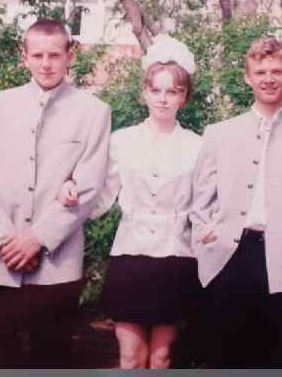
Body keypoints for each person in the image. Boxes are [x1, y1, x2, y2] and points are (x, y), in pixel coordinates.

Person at [0, 18, 111, 369]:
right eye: (38, 55)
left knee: (51, 357)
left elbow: (88, 186)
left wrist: (38, 239)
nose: (46, 64)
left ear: (70, 56)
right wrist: (4, 240)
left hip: (57, 263)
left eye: (55, 55)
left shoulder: (93, 112)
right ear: (23, 55)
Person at [190, 36, 282, 368]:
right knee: (229, 361)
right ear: (248, 77)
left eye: (276, 71)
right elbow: (199, 202)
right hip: (229, 258)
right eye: (260, 72)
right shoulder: (219, 133)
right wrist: (204, 247)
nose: (268, 79)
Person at [58, 34, 201, 369]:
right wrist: (71, 190)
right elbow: (101, 196)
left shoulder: (198, 146)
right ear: (144, 92)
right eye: (156, 90)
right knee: (130, 357)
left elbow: (206, 206)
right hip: (131, 256)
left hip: (176, 256)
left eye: (172, 91)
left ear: (184, 96)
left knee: (161, 357)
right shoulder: (121, 141)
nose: (163, 99)